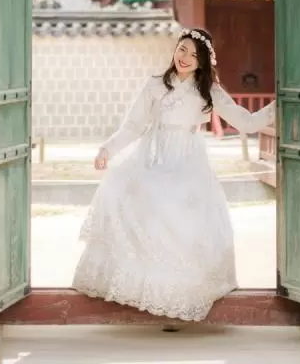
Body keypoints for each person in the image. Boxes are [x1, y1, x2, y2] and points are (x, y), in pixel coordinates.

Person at [71, 27, 277, 326]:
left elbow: (245, 122)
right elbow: (133, 126)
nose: (185, 58)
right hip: (152, 158)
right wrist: (107, 149)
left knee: (183, 221)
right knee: (122, 190)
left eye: (194, 55)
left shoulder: (209, 91)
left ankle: (179, 296)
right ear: (175, 48)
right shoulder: (155, 85)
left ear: (203, 61)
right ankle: (144, 289)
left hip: (187, 164)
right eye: (182, 49)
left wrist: (277, 105)